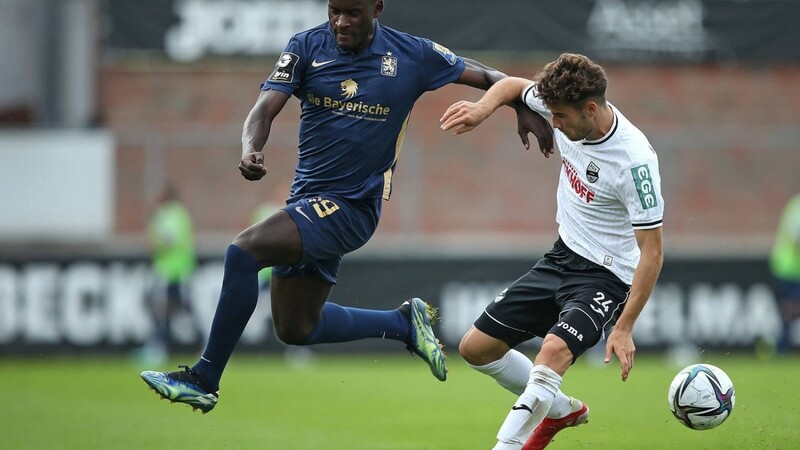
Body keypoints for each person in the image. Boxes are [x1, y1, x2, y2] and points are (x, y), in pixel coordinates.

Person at [140, 0, 553, 414]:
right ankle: (403, 324)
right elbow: (264, 108)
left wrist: (519, 104)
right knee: (296, 327)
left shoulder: (412, 55)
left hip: (353, 208)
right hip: (306, 203)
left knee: (244, 251)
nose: (340, 22)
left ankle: (204, 379)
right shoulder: (305, 47)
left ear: (377, 8)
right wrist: (251, 148)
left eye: (352, 13)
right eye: (334, 10)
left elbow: (489, 76)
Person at [440, 53, 664, 449]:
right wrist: (482, 110)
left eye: (559, 116)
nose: (553, 123)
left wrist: (625, 326)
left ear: (590, 109)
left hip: (606, 277)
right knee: (475, 349)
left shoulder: (636, 163)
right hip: (561, 257)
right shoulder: (564, 104)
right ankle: (561, 409)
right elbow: (511, 85)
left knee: (553, 352)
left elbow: (652, 253)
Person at [140, 183, 198, 364]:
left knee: (167, 310)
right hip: (178, 269)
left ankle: (158, 347)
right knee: (178, 310)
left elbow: (167, 241)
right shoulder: (180, 213)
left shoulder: (169, 214)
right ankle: (159, 345)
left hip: (172, 271)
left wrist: (153, 242)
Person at [769, 193, 800, 355]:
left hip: (791, 269)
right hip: (788, 270)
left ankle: (782, 344)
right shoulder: (797, 207)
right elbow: (796, 239)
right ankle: (782, 345)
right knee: (791, 308)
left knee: (790, 308)